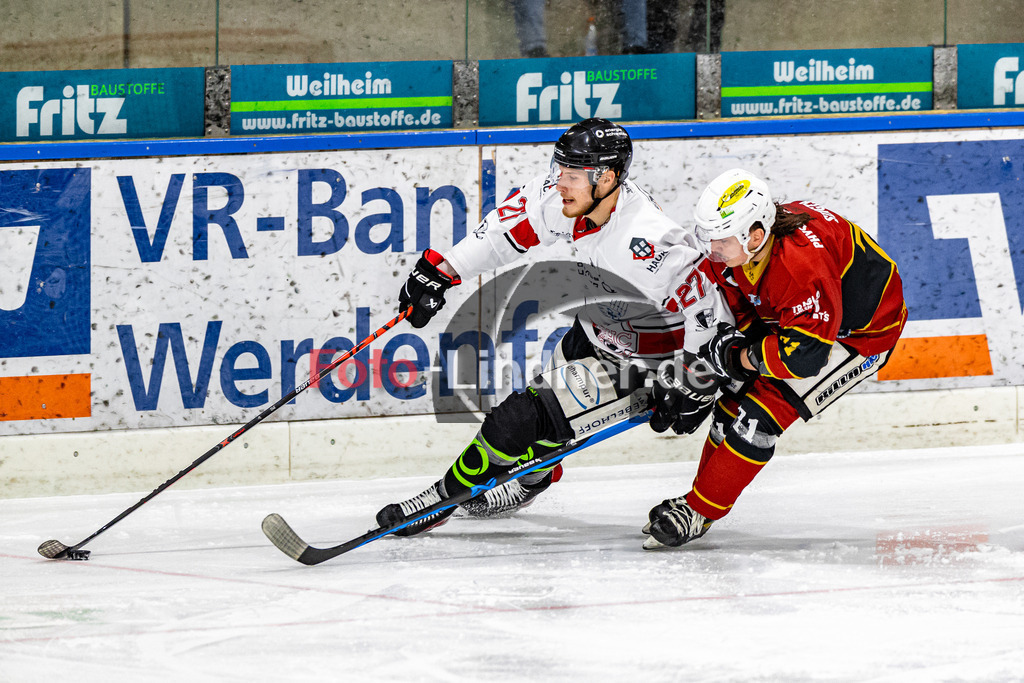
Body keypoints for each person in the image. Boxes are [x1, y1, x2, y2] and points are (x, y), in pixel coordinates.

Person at [378, 118, 734, 537]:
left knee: (517, 420)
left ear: (607, 178)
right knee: (549, 425)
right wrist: (444, 271)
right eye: (559, 168)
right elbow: (504, 231)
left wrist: (696, 382)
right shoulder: (572, 198)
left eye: (572, 174)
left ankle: (440, 500)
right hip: (598, 328)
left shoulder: (647, 242)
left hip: (642, 363)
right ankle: (531, 483)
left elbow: (708, 311)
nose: (559, 182)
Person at [642, 168, 908, 549]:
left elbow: (805, 358)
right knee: (731, 404)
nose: (711, 248)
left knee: (759, 418)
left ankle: (699, 510)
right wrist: (707, 369)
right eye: (707, 236)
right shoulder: (743, 248)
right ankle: (698, 503)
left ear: (755, 235)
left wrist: (738, 359)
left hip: (858, 336)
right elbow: (733, 302)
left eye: (720, 240)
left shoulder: (802, 269)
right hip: (804, 323)